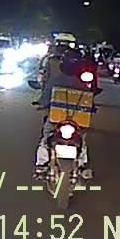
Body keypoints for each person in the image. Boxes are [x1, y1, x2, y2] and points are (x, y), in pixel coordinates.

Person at [33, 47, 99, 181]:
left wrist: (41, 104)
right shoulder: (82, 84)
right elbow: (89, 102)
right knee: (82, 142)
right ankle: (83, 165)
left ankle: (41, 164)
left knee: (45, 138)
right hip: (76, 122)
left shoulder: (55, 79)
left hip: (56, 120)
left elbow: (45, 98)